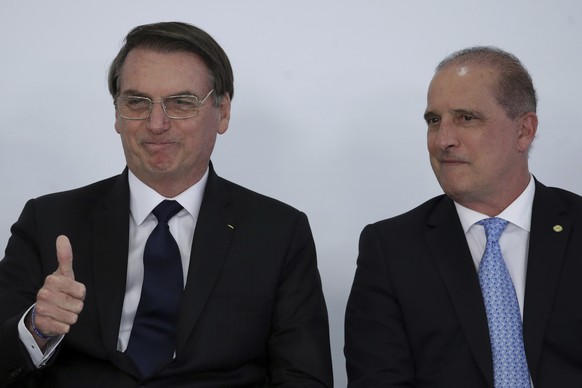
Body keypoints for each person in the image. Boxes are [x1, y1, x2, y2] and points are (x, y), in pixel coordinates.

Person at [0, 21, 333, 387]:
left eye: (181, 103)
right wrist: (36, 330)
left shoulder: (279, 232)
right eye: (137, 102)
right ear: (116, 113)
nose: (156, 124)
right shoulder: (50, 221)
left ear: (222, 112)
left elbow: (304, 377)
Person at [344, 46, 582, 387]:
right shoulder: (391, 250)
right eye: (433, 121)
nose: (443, 140)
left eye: (466, 118)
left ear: (524, 131)